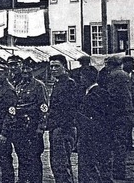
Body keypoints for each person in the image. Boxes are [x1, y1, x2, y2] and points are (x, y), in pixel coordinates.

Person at [1, 56, 46, 183]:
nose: (26, 72)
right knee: (23, 159)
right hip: (18, 127)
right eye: (24, 70)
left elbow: (43, 109)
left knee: (33, 160)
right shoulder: (15, 84)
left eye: (28, 70)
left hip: (32, 128)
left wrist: (40, 129)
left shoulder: (38, 86)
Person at [98, 56, 132, 180]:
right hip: (126, 113)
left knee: (117, 144)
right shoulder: (124, 74)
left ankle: (118, 171)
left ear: (110, 65)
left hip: (118, 115)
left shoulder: (114, 76)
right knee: (121, 143)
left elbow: (111, 95)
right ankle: (119, 170)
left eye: (107, 64)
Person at [77, 70, 113, 183]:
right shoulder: (99, 92)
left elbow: (95, 117)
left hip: (93, 136)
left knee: (92, 166)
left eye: (81, 77)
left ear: (87, 78)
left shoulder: (94, 94)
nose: (80, 80)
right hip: (98, 135)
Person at [47, 54, 78, 183]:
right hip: (57, 128)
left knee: (60, 164)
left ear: (64, 67)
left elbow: (70, 109)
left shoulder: (69, 84)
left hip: (63, 129)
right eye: (51, 67)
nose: (53, 69)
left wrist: (58, 125)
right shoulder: (58, 83)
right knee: (59, 163)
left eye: (56, 66)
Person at [121, 56, 134, 149]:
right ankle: (126, 142)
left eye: (132, 63)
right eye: (130, 63)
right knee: (125, 123)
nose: (132, 65)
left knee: (131, 123)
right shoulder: (122, 74)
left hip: (133, 101)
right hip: (125, 102)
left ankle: (130, 142)